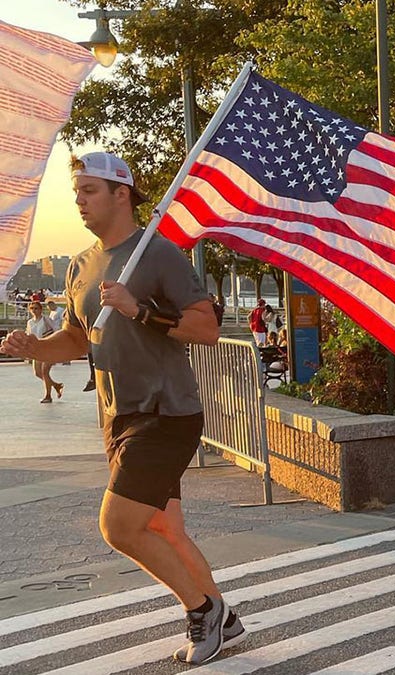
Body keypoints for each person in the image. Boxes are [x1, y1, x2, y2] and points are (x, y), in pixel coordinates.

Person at [0, 152, 240, 665]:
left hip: (166, 412)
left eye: (89, 191)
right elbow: (77, 337)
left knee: (119, 526)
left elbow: (206, 328)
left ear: (121, 193)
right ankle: (226, 615)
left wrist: (142, 310)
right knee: (163, 529)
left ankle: (202, 612)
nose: (80, 201)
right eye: (77, 192)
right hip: (118, 414)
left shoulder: (157, 255)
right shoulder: (81, 264)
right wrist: (34, 349)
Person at [23, 301, 63, 403]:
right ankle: (56, 385)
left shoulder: (46, 319)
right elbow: (28, 335)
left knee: (45, 372)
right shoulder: (30, 322)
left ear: (41, 309)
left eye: (36, 308)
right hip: (36, 350)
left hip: (47, 347)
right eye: (32, 309)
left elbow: (57, 329)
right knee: (37, 373)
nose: (34, 311)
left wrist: (51, 339)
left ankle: (48, 396)